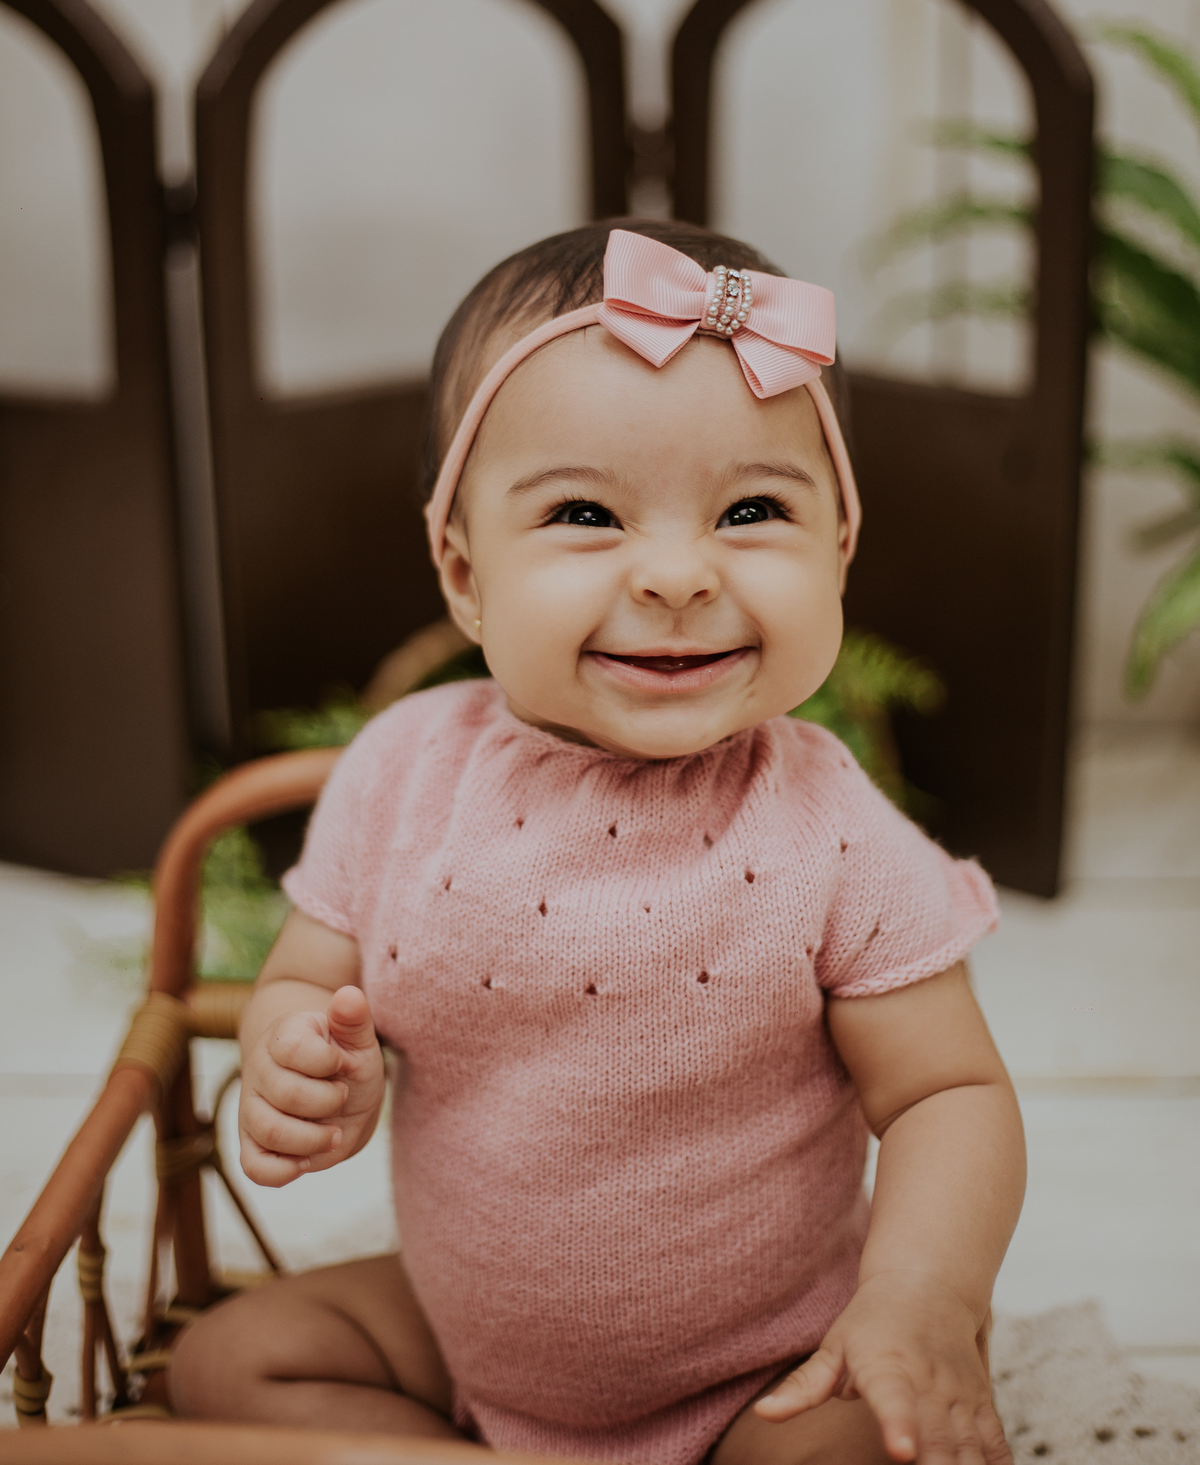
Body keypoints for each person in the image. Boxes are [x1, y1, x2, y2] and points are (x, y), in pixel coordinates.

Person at [171, 219, 1024, 1465]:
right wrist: (297, 1052)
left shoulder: (830, 828)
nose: (677, 575)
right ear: (466, 574)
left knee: (860, 1446)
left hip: (765, 1369)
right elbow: (305, 976)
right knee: (231, 1361)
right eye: (585, 512)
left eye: (750, 510)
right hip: (472, 1346)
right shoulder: (402, 774)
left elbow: (949, 1093)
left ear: (838, 549)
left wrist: (920, 1297)